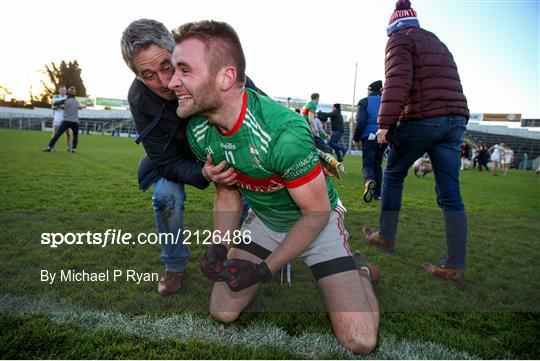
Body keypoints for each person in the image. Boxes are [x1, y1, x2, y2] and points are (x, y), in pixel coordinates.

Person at [169, 20, 380, 354]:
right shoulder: (198, 129)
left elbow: (315, 213)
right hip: (266, 221)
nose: (171, 82)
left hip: (317, 223)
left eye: (184, 70)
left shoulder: (283, 134)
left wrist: (264, 270)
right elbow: (228, 192)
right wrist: (219, 248)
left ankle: (361, 270)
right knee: (222, 311)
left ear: (225, 77)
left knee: (360, 339)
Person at [120, 18, 263, 296]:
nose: (164, 82)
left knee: (243, 194)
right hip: (177, 159)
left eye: (167, 66)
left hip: (224, 150)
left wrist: (312, 144)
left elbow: (262, 107)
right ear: (137, 76)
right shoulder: (140, 99)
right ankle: (174, 266)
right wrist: (201, 174)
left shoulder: (213, 65)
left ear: (176, 51)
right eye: (148, 75)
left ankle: (236, 256)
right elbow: (164, 161)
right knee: (165, 197)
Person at [362, 0, 470, 287]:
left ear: (393, 26)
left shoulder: (399, 40)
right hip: (455, 120)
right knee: (451, 196)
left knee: (394, 174)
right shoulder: (436, 41)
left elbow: (398, 80)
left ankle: (386, 236)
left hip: (424, 119)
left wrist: (384, 124)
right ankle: (453, 265)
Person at [353, 80, 387, 202]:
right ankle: (378, 194)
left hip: (369, 137)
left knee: (368, 164)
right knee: (378, 164)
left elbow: (360, 122)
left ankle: (369, 181)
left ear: (370, 90)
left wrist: (356, 138)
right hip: (383, 137)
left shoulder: (364, 101)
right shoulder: (386, 101)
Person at [43, 86, 80, 153]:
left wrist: (60, 105)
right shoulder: (77, 102)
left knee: (57, 134)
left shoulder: (66, 100)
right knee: (75, 136)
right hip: (75, 121)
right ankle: (73, 149)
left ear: (68, 93)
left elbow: (55, 103)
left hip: (66, 120)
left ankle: (49, 147)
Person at [51, 85, 72, 150]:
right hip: (57, 119)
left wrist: (62, 106)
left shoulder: (68, 98)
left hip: (66, 119)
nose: (63, 91)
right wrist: (58, 106)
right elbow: (52, 107)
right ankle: (53, 147)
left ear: (66, 91)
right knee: (55, 134)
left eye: (64, 90)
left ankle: (69, 147)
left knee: (68, 134)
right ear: (59, 90)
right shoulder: (55, 97)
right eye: (62, 90)